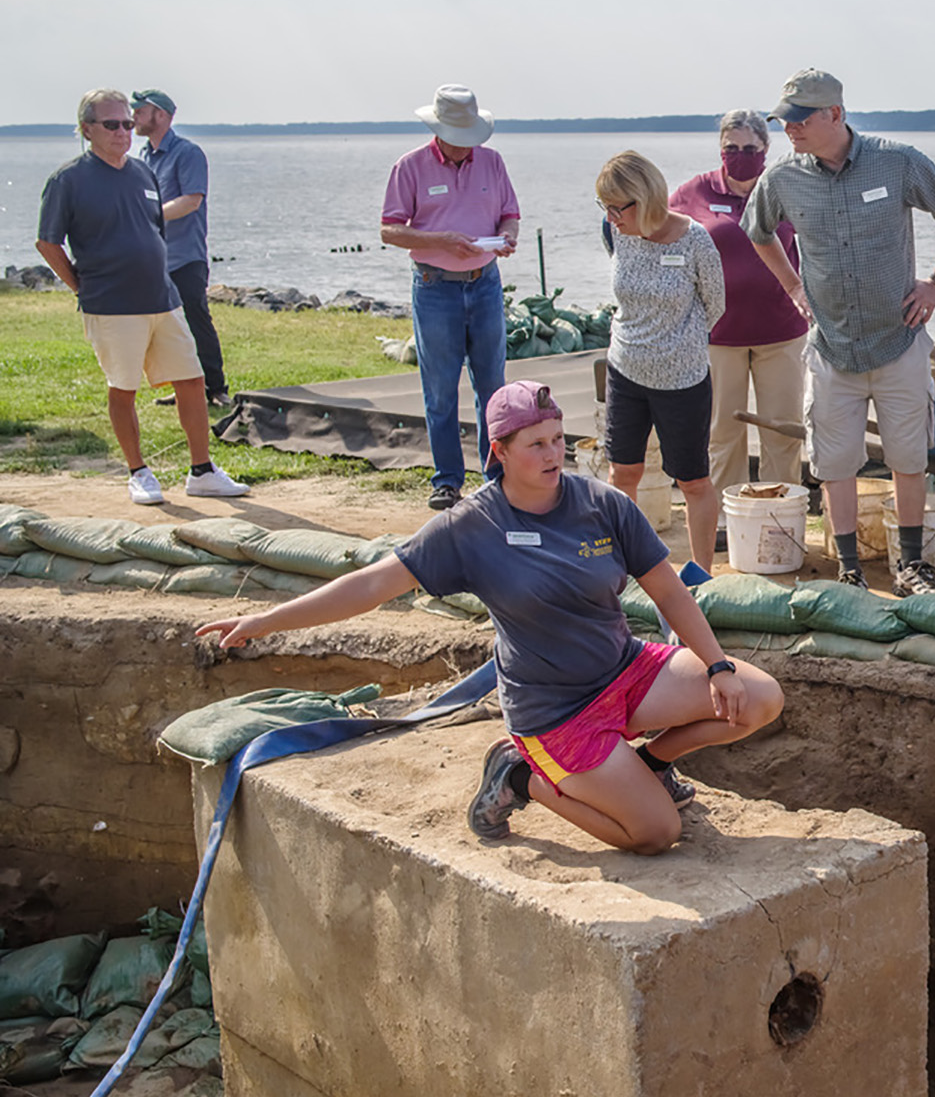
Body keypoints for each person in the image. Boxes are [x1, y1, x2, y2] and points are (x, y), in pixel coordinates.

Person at [198, 381, 784, 855]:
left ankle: (651, 763)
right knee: (656, 834)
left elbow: (670, 593)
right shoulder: (470, 526)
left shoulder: (604, 503)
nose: (554, 454)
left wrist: (717, 666)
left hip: (626, 672)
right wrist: (264, 622)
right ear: (498, 452)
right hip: (555, 712)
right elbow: (373, 583)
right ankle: (520, 776)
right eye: (536, 444)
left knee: (759, 698)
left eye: (558, 439)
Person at [742, 68, 935, 596]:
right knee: (835, 462)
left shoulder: (897, 162)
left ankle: (910, 566)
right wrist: (794, 288)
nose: (790, 129)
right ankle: (849, 571)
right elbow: (757, 232)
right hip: (831, 348)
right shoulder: (782, 178)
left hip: (899, 340)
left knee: (908, 457)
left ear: (836, 115)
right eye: (784, 120)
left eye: (800, 119)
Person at [35, 89, 248, 506]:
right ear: (87, 130)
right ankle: (139, 473)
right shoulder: (68, 179)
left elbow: (154, 230)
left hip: (162, 298)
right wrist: (81, 286)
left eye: (127, 124)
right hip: (111, 304)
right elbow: (48, 243)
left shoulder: (141, 172)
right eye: (112, 124)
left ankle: (201, 471)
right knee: (124, 387)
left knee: (192, 380)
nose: (123, 132)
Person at [381, 85, 521, 512]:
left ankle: (495, 475)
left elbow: (510, 214)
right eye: (458, 139)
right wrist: (440, 239)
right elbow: (389, 229)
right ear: (438, 131)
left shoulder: (492, 163)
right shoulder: (410, 167)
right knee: (440, 388)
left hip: (485, 282)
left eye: (471, 139)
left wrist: (509, 237)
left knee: (492, 384)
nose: (466, 148)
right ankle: (446, 481)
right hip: (434, 285)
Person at [669, 110, 806, 506]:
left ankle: (781, 511)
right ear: (720, 149)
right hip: (718, 334)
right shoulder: (694, 191)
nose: (740, 154)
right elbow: (654, 229)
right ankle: (726, 516)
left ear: (766, 149)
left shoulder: (784, 187)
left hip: (782, 332)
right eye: (731, 147)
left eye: (750, 148)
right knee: (721, 432)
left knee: (783, 432)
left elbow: (820, 243)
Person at [597, 151, 726, 572]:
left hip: (682, 378)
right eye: (606, 208)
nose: (612, 217)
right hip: (625, 369)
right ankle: (625, 566)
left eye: (619, 208)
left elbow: (716, 306)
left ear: (646, 199)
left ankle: (701, 573)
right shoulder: (615, 232)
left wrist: (674, 342)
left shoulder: (695, 240)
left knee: (692, 480)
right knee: (623, 474)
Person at [130, 89, 232, 409]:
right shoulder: (143, 156)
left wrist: (150, 215)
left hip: (185, 255)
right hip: (154, 257)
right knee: (167, 326)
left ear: (161, 115)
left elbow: (192, 200)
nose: (133, 116)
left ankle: (216, 389)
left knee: (195, 319)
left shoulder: (188, 153)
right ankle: (184, 387)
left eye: (139, 110)